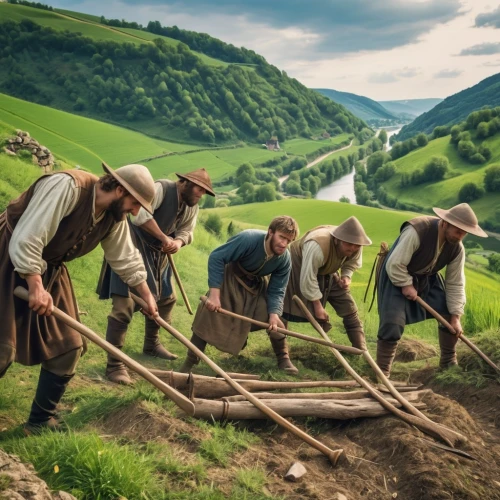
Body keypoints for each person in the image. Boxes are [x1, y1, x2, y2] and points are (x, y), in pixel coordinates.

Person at [0, 162, 159, 433]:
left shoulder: (113, 216)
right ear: (119, 189)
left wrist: (146, 294)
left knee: (69, 345)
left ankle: (39, 421)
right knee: (3, 347)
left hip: (49, 267)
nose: (135, 212)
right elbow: (29, 237)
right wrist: (35, 284)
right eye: (134, 203)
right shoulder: (69, 187)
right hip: (8, 254)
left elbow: (125, 257)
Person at [98, 168, 215, 385]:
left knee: (167, 299)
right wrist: (163, 237)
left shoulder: (191, 206)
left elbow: (188, 231)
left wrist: (177, 242)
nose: (200, 194)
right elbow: (140, 216)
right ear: (186, 182)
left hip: (158, 255)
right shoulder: (162, 189)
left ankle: (151, 344)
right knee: (124, 305)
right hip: (132, 247)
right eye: (199, 189)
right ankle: (114, 365)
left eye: (204, 192)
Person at [376, 203, 487, 377]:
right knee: (392, 323)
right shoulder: (418, 231)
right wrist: (405, 284)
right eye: (458, 231)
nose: (461, 236)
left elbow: (456, 282)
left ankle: (448, 363)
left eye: (464, 233)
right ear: (444, 223)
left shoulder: (457, 248)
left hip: (427, 279)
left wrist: (456, 316)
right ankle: (382, 372)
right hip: (397, 274)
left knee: (448, 316)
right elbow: (395, 264)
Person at [179, 216, 300, 374]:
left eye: (288, 240)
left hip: (256, 286)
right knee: (208, 313)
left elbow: (277, 289)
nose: (284, 244)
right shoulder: (248, 239)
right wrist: (214, 295)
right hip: (231, 279)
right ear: (270, 232)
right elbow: (216, 257)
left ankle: (284, 359)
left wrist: (274, 313)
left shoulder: (285, 259)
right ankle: (190, 361)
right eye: (281, 237)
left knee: (278, 318)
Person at [281, 217, 372, 350]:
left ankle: (361, 350)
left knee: (349, 306)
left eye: (356, 245)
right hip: (298, 266)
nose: (353, 248)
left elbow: (351, 263)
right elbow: (308, 278)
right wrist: (317, 306)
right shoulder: (317, 245)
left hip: (327, 270)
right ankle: (283, 355)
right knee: (283, 309)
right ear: (337, 240)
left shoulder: (356, 243)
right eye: (348, 244)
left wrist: (346, 277)